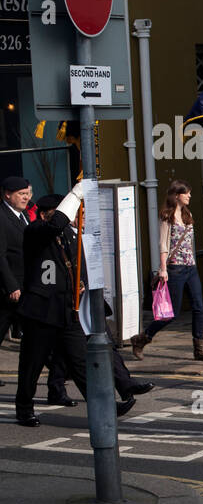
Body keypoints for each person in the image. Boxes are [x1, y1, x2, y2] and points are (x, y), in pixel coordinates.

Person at [14, 187, 135, 427]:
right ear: (44, 214)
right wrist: (75, 194)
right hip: (41, 311)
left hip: (68, 309)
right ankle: (24, 408)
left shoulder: (67, 235)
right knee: (32, 364)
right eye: (58, 213)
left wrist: (79, 284)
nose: (67, 218)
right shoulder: (36, 231)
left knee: (81, 362)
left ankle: (105, 405)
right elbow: (55, 224)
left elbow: (73, 266)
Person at [130, 180, 203, 361]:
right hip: (175, 268)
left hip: (191, 267)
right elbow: (163, 244)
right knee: (170, 314)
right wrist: (163, 269)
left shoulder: (188, 214)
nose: (189, 195)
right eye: (186, 193)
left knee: (199, 307)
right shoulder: (167, 216)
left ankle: (199, 348)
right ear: (176, 195)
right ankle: (142, 338)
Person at [0, 176, 33, 385]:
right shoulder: (2, 217)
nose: (26, 198)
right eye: (21, 194)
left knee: (35, 333)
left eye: (27, 194)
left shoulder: (22, 216)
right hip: (9, 290)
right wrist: (11, 285)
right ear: (7, 195)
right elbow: (0, 255)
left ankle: (57, 377)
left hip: (25, 286)